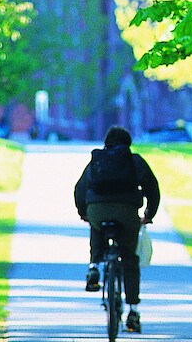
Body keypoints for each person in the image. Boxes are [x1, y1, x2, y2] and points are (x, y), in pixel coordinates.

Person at [74, 126, 160, 333]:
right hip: (127, 212)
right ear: (127, 143)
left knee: (96, 226)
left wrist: (83, 212)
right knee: (130, 259)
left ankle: (94, 266)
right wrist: (149, 215)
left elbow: (79, 189)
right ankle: (133, 311)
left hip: (97, 210)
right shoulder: (134, 160)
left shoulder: (96, 160)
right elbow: (152, 188)